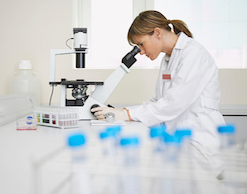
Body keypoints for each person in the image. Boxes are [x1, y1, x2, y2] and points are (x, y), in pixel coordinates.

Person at [91, 10, 226, 177]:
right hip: (177, 141)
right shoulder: (168, 59)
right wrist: (123, 114)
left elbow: (172, 104)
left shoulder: (194, 54)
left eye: (141, 44)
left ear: (157, 33)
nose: (140, 51)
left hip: (199, 143)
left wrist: (124, 114)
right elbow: (159, 101)